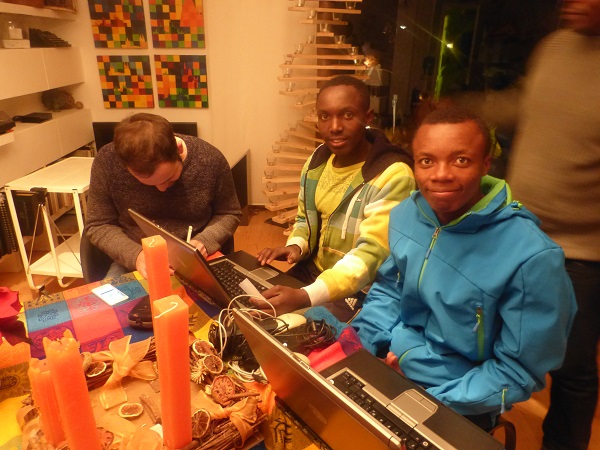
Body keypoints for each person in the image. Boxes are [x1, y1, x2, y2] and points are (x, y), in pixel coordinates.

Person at [352, 106, 577, 429]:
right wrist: (359, 348)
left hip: (460, 396)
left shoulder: (532, 257)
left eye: (460, 160)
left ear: (485, 164)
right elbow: (390, 289)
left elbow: (518, 371)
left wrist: (431, 401)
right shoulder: (406, 215)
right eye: (426, 161)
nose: (440, 174)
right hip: (392, 363)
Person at [504, 1, 600, 448]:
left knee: (572, 369)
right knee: (489, 339)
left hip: (580, 253)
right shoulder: (556, 45)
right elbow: (533, 109)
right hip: (516, 230)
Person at [255, 75, 415, 320]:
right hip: (314, 274)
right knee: (252, 308)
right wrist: (296, 246)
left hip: (362, 290)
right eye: (324, 116)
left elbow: (371, 256)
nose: (335, 127)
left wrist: (305, 296)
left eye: (347, 115)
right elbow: (304, 220)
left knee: (290, 331)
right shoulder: (317, 161)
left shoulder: (393, 175)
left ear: (368, 118)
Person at [86, 113, 241, 279]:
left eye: (169, 178)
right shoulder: (108, 161)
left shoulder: (210, 160)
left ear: (178, 149)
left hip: (198, 258)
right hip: (138, 258)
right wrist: (136, 256)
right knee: (113, 298)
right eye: (148, 184)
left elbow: (229, 213)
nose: (161, 189)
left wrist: (204, 241)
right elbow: (99, 224)